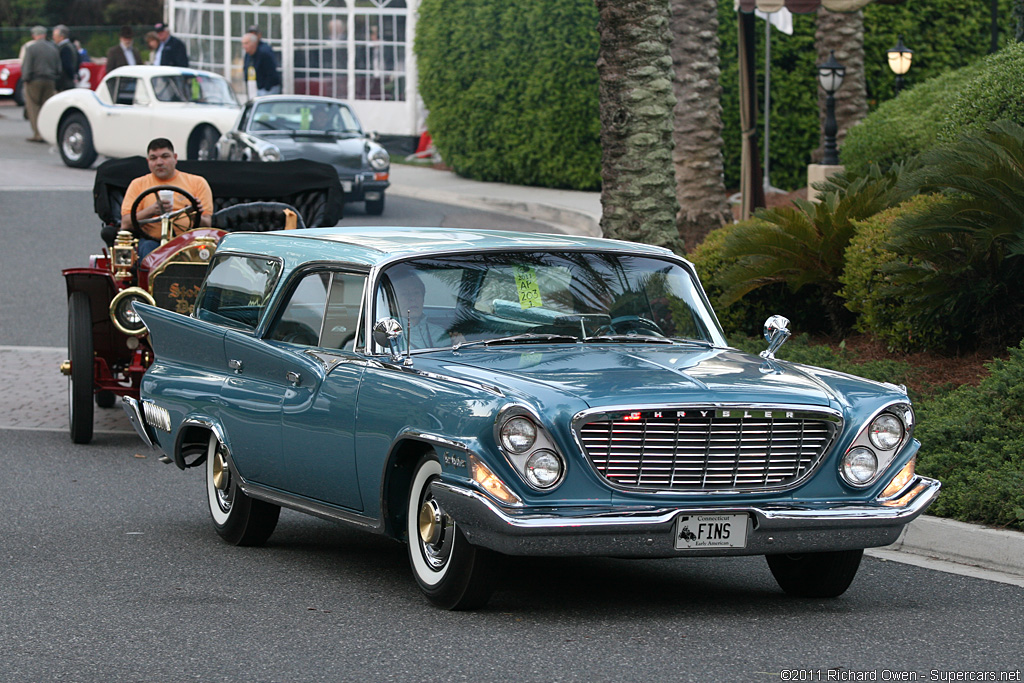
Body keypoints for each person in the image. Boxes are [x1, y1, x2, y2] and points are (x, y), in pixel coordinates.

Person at [121, 138, 213, 259]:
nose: (159, 162)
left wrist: (194, 214)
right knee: (149, 249)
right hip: (152, 241)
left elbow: (207, 224)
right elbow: (125, 224)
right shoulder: (138, 184)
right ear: (148, 161)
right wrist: (152, 211)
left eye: (165, 156)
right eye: (153, 158)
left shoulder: (197, 183)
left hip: (189, 242)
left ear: (175, 158)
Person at [21, 26, 60, 143]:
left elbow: (27, 66)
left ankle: (38, 133)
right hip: (50, 80)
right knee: (46, 107)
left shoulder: (31, 48)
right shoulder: (53, 48)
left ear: (34, 35)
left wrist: (26, 78)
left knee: (33, 106)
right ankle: (48, 132)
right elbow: (58, 67)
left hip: (34, 80)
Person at [242, 32, 281, 98]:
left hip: (267, 89)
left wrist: (266, 88)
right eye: (243, 44)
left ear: (254, 44)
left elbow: (271, 72)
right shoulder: (248, 55)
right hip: (253, 87)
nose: (244, 46)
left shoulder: (264, 53)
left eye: (246, 43)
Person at [52, 25, 79, 91]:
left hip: (64, 82)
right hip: (70, 80)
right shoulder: (73, 46)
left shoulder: (64, 48)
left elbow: (66, 64)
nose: (53, 38)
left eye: (55, 36)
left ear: (61, 37)